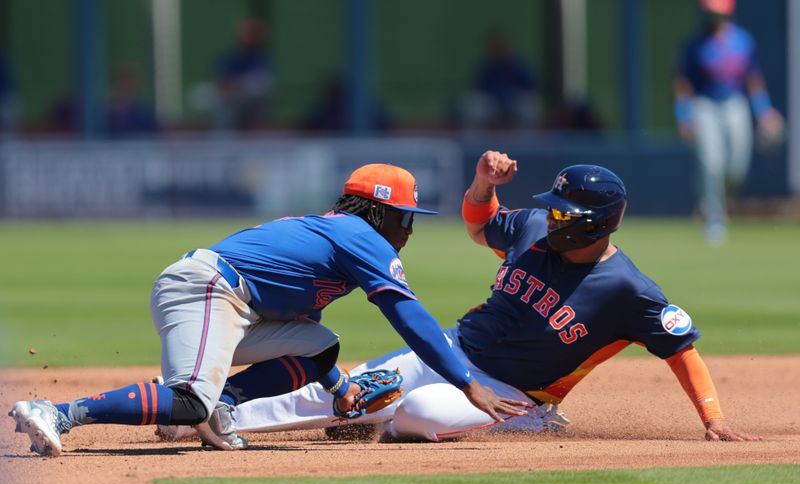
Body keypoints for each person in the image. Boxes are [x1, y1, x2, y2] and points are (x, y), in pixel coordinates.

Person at [160, 151, 760, 443]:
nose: (549, 218)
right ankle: (209, 417)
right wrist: (481, 185)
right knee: (348, 391)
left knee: (416, 416)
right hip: (448, 350)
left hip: (512, 394)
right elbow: (481, 222)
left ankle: (531, 425)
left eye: (563, 213)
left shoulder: (628, 290)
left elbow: (681, 346)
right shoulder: (530, 229)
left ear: (595, 224)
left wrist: (715, 419)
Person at [9, 163, 526, 457]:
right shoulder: (361, 237)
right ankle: (59, 413)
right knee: (189, 401)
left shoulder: (337, 234)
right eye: (405, 217)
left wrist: (341, 389)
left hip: (227, 302)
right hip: (208, 292)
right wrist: (466, 382)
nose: (409, 230)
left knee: (321, 346)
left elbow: (303, 331)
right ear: (380, 212)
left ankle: (222, 404)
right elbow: (410, 318)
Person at [673, 0, 784, 245]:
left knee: (736, 167)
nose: (713, 18)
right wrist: (683, 116)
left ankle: (713, 200)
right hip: (704, 106)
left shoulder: (743, 41)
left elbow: (753, 80)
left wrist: (764, 111)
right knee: (711, 164)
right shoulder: (694, 45)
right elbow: (683, 84)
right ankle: (714, 216)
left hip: (735, 104)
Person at [456, 32, 540, 130]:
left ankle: (527, 141)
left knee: (529, 106)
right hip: (492, 103)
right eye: (495, 47)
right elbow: (477, 87)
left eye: (501, 47)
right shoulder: (486, 65)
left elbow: (532, 85)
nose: (499, 50)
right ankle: (475, 142)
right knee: (473, 106)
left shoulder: (519, 64)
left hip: (515, 101)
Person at [213, 18, 274, 130]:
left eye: (252, 34)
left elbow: (261, 85)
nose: (248, 37)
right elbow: (222, 82)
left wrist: (239, 85)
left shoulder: (263, 60)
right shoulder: (230, 58)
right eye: (246, 33)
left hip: (253, 105)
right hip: (231, 104)